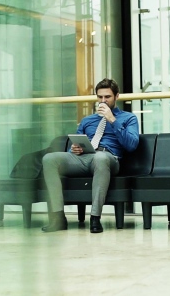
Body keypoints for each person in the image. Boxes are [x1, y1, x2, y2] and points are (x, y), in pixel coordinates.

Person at [41, 78, 139, 233]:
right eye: (100, 97)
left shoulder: (128, 118)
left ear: (117, 96)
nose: (103, 101)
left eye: (107, 97)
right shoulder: (87, 120)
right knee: (49, 159)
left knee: (100, 157)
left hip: (109, 158)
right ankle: (58, 218)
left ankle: (95, 218)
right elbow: (75, 145)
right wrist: (75, 150)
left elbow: (131, 145)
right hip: (85, 158)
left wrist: (112, 119)